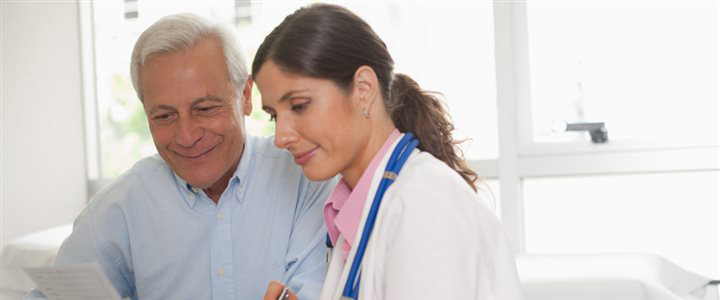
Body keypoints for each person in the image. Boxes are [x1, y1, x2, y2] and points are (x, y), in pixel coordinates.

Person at [26, 13, 335, 300]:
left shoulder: (305, 180)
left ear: (244, 96)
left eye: (204, 109)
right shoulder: (120, 207)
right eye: (163, 116)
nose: (186, 136)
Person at [254, 4, 523, 300]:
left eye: (299, 105)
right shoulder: (362, 207)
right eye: (274, 115)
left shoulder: (422, 205)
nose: (281, 137)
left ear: (364, 89)